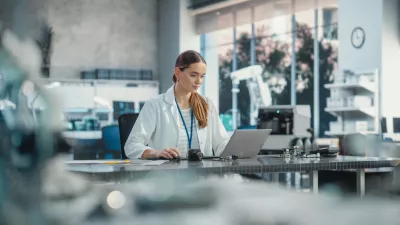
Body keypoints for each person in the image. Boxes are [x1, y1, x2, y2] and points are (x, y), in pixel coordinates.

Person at [125, 50, 230, 159]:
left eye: (202, 76)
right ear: (177, 72)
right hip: (166, 174)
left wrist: (237, 150)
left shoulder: (207, 104)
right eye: (193, 75)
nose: (199, 81)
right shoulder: (155, 105)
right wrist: (156, 153)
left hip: (202, 174)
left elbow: (221, 143)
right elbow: (131, 146)